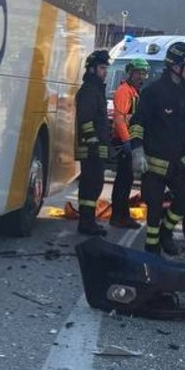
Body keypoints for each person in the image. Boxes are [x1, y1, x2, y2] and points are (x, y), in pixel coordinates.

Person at [129, 41, 185, 254]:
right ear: (176, 66)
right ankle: (151, 248)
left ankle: (166, 232)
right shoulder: (153, 91)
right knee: (154, 207)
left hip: (177, 162)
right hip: (154, 164)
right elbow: (137, 123)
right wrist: (137, 151)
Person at [74, 50, 112, 236]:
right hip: (91, 148)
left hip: (95, 148)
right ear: (92, 69)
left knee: (94, 184)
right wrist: (93, 142)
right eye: (102, 68)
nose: (105, 72)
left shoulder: (95, 90)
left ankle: (88, 221)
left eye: (105, 68)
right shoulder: (89, 91)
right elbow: (86, 119)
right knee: (91, 184)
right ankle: (86, 223)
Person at [110, 58, 150, 229]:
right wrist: (127, 141)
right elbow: (119, 119)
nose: (141, 77)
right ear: (130, 73)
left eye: (144, 73)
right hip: (124, 141)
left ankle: (121, 215)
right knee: (123, 180)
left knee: (126, 180)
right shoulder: (124, 91)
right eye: (138, 73)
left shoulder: (134, 92)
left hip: (129, 140)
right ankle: (119, 216)